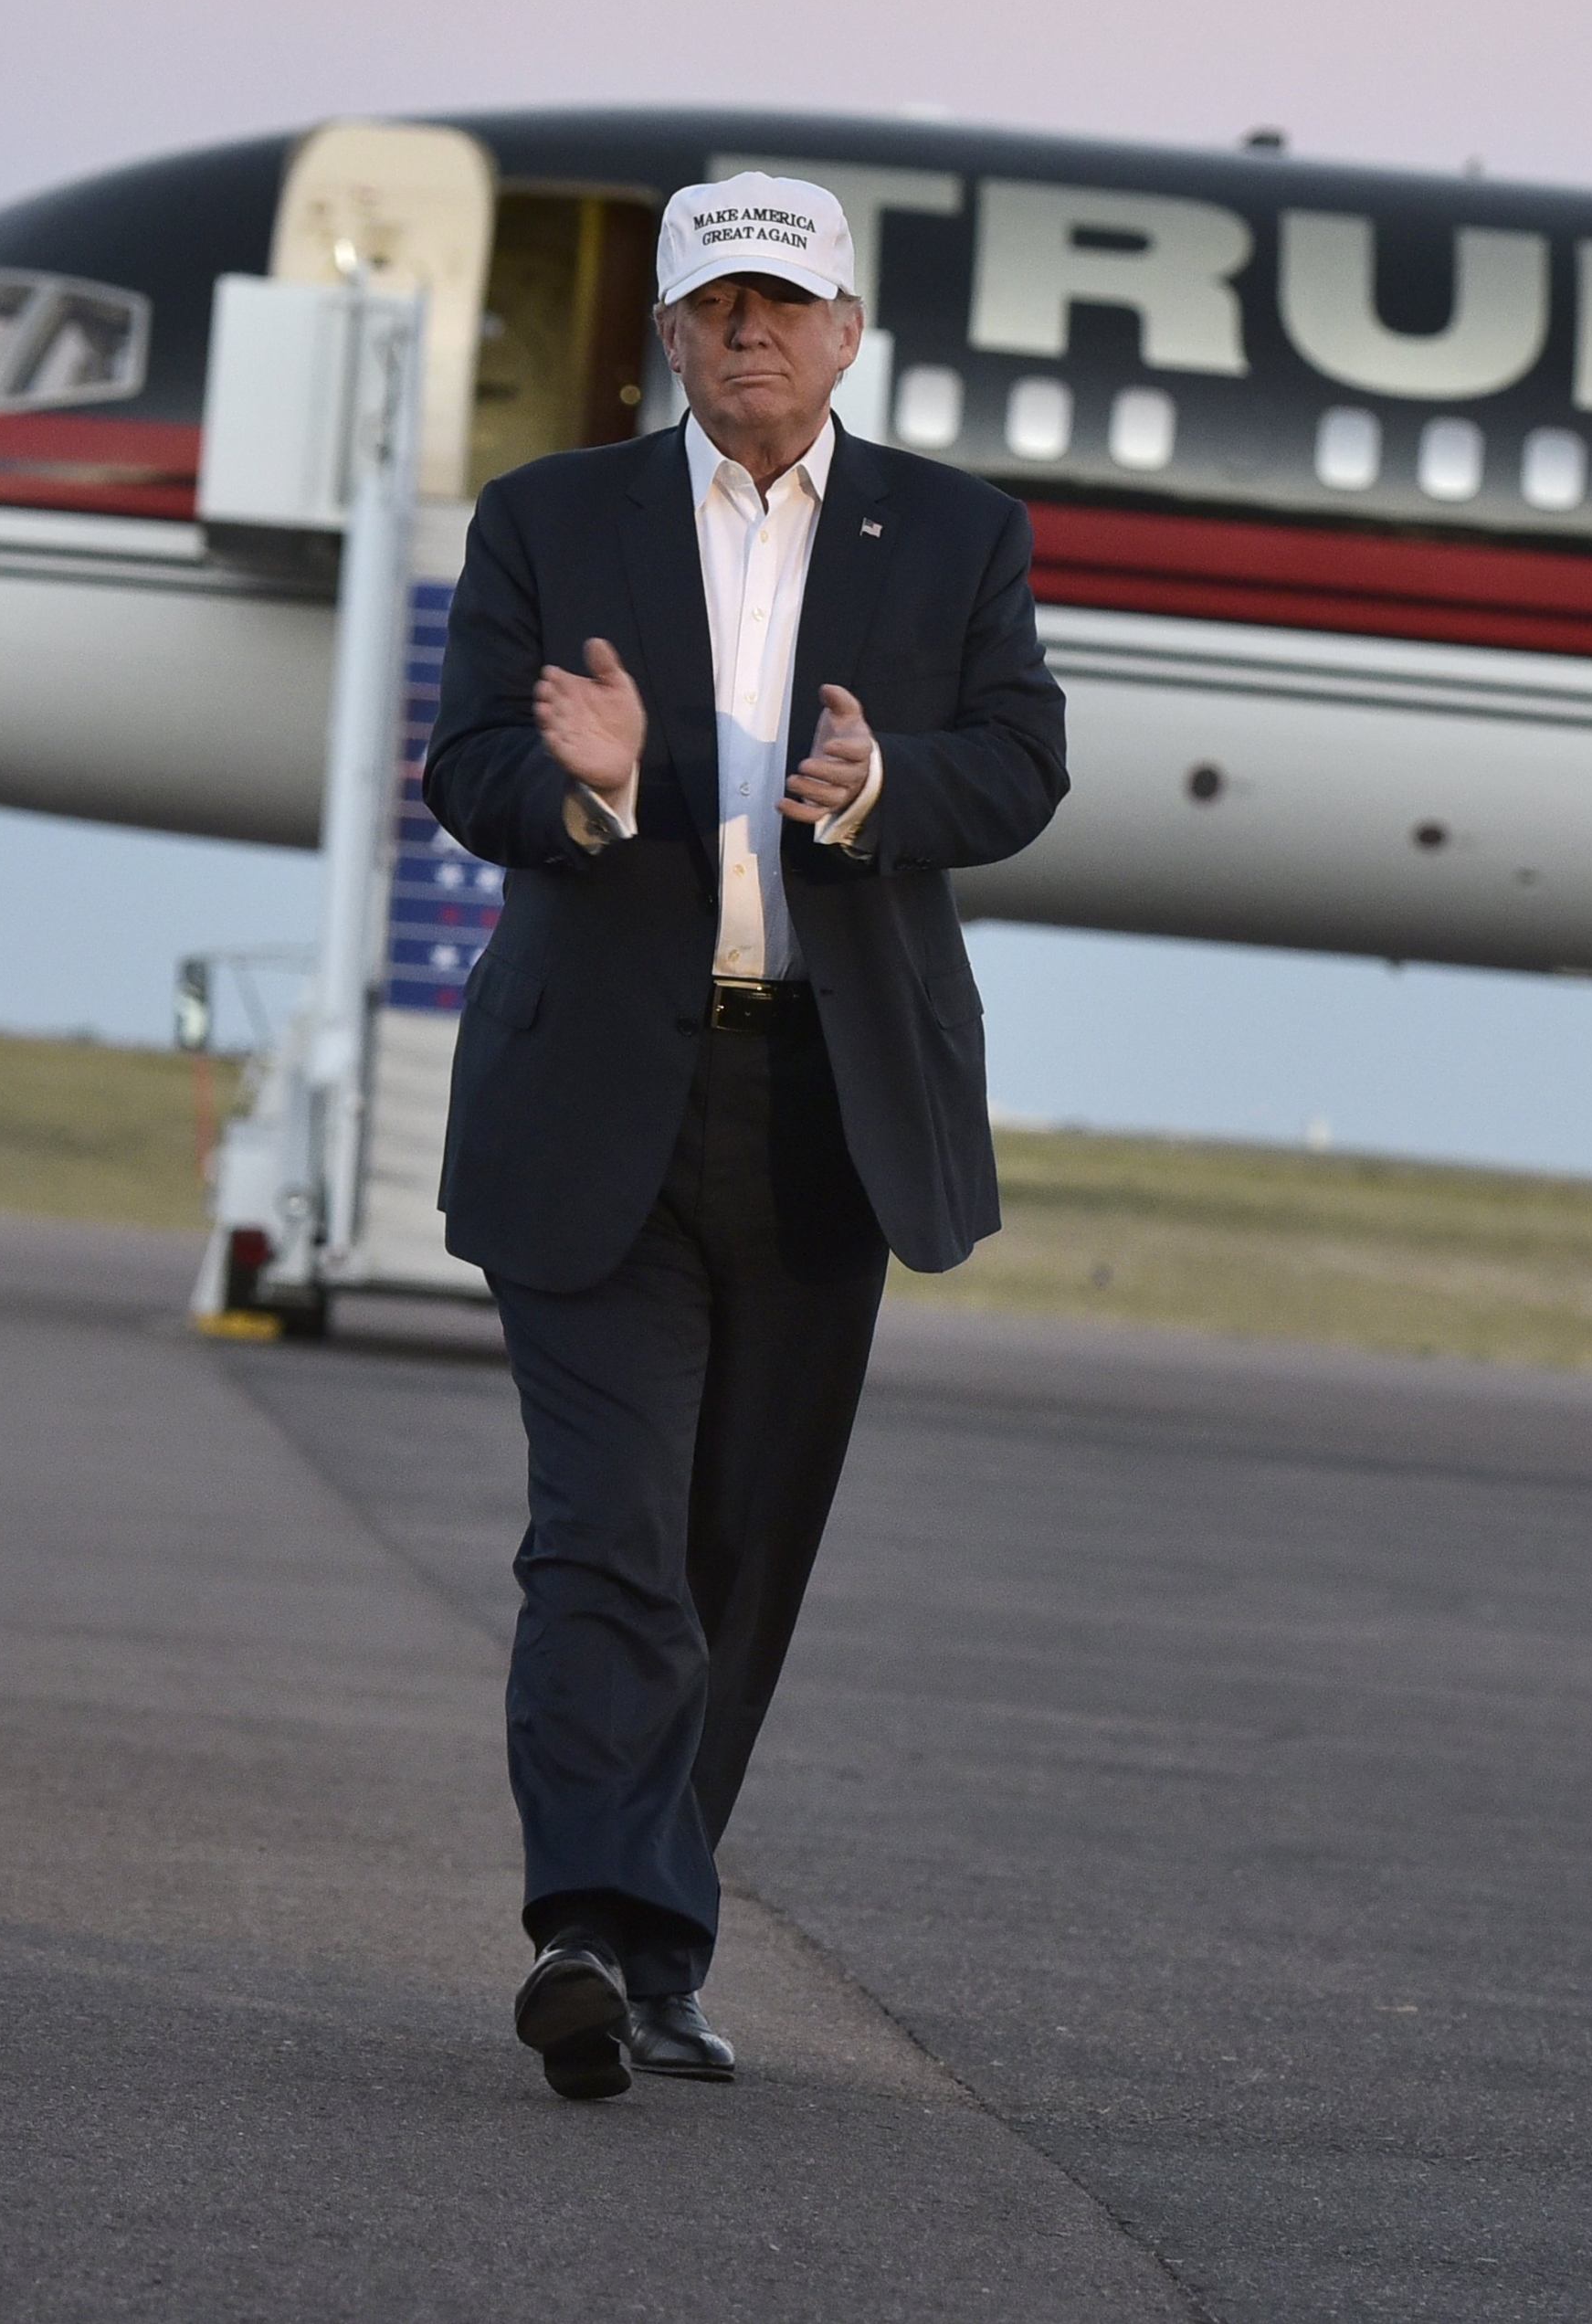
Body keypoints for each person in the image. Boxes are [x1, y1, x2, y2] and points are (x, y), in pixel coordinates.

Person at [422, 172, 1067, 2099]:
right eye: (716, 306)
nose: (750, 334)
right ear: (672, 334)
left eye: (786, 304)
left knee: (735, 1547)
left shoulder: (955, 535)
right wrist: (587, 791)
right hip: (594, 1094)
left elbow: (1024, 762)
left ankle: (653, 1944)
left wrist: (887, 788)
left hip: (823, 1106)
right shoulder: (553, 517)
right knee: (605, 1532)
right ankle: (585, 1929)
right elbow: (467, 765)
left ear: (849, 333)